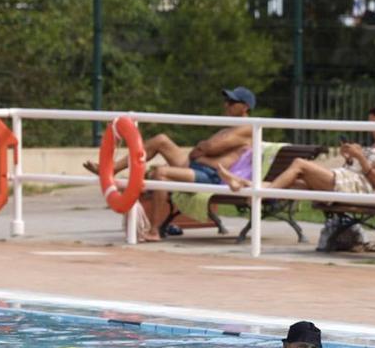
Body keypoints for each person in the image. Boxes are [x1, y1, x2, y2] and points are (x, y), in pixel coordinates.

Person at [86, 86, 257, 240]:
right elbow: (203, 149)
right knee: (160, 140)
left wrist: (203, 151)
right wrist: (203, 151)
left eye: (232, 102)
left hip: (212, 175)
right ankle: (113, 169)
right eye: (226, 101)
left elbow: (210, 147)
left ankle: (155, 230)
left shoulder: (247, 127)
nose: (226, 105)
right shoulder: (229, 126)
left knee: (161, 173)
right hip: (199, 165)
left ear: (245, 107)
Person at [219, 104, 375, 196]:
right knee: (294, 182)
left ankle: (263, 197)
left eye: (374, 123)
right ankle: (243, 183)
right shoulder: (372, 144)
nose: (370, 127)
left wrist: (360, 157)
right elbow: (357, 168)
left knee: (299, 164)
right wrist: (350, 158)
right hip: (346, 179)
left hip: (358, 188)